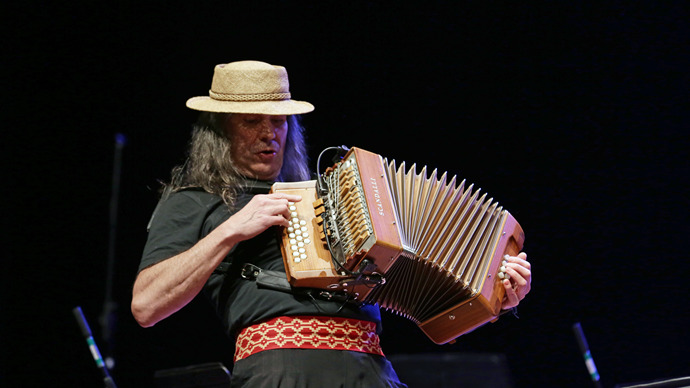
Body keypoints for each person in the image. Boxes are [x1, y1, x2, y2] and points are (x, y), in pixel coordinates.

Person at [131, 60, 532, 387]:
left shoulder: (327, 199)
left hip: (371, 371)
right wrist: (232, 228)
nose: (270, 133)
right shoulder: (195, 199)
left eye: (280, 122)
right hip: (282, 372)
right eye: (251, 121)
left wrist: (495, 296)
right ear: (218, 131)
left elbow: (425, 301)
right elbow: (146, 306)